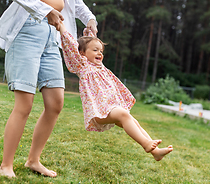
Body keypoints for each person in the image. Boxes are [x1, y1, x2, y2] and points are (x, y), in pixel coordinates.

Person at [0, 0, 97, 178]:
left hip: (53, 39)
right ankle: (6, 165)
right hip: (26, 34)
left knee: (55, 103)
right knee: (25, 104)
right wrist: (45, 9)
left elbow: (77, 4)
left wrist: (90, 20)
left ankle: (33, 160)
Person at [58, 22, 173, 161]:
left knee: (133, 121)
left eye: (101, 51)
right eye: (95, 50)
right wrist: (61, 26)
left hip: (110, 108)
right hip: (99, 112)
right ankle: (146, 144)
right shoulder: (82, 66)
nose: (99, 53)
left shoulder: (99, 66)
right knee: (125, 114)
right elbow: (71, 45)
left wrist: (90, 31)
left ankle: (156, 152)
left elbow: (90, 42)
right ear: (81, 53)